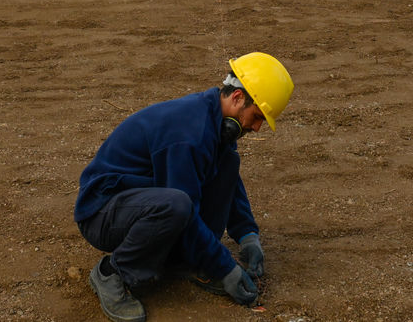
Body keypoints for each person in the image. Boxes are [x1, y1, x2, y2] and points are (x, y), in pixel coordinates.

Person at [74, 52, 294, 322]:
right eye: (257, 116)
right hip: (103, 212)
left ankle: (189, 260)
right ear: (237, 98)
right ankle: (113, 272)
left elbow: (228, 179)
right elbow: (184, 210)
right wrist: (225, 268)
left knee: (227, 163)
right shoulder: (188, 134)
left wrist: (248, 234)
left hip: (141, 200)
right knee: (176, 206)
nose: (258, 128)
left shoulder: (214, 122)